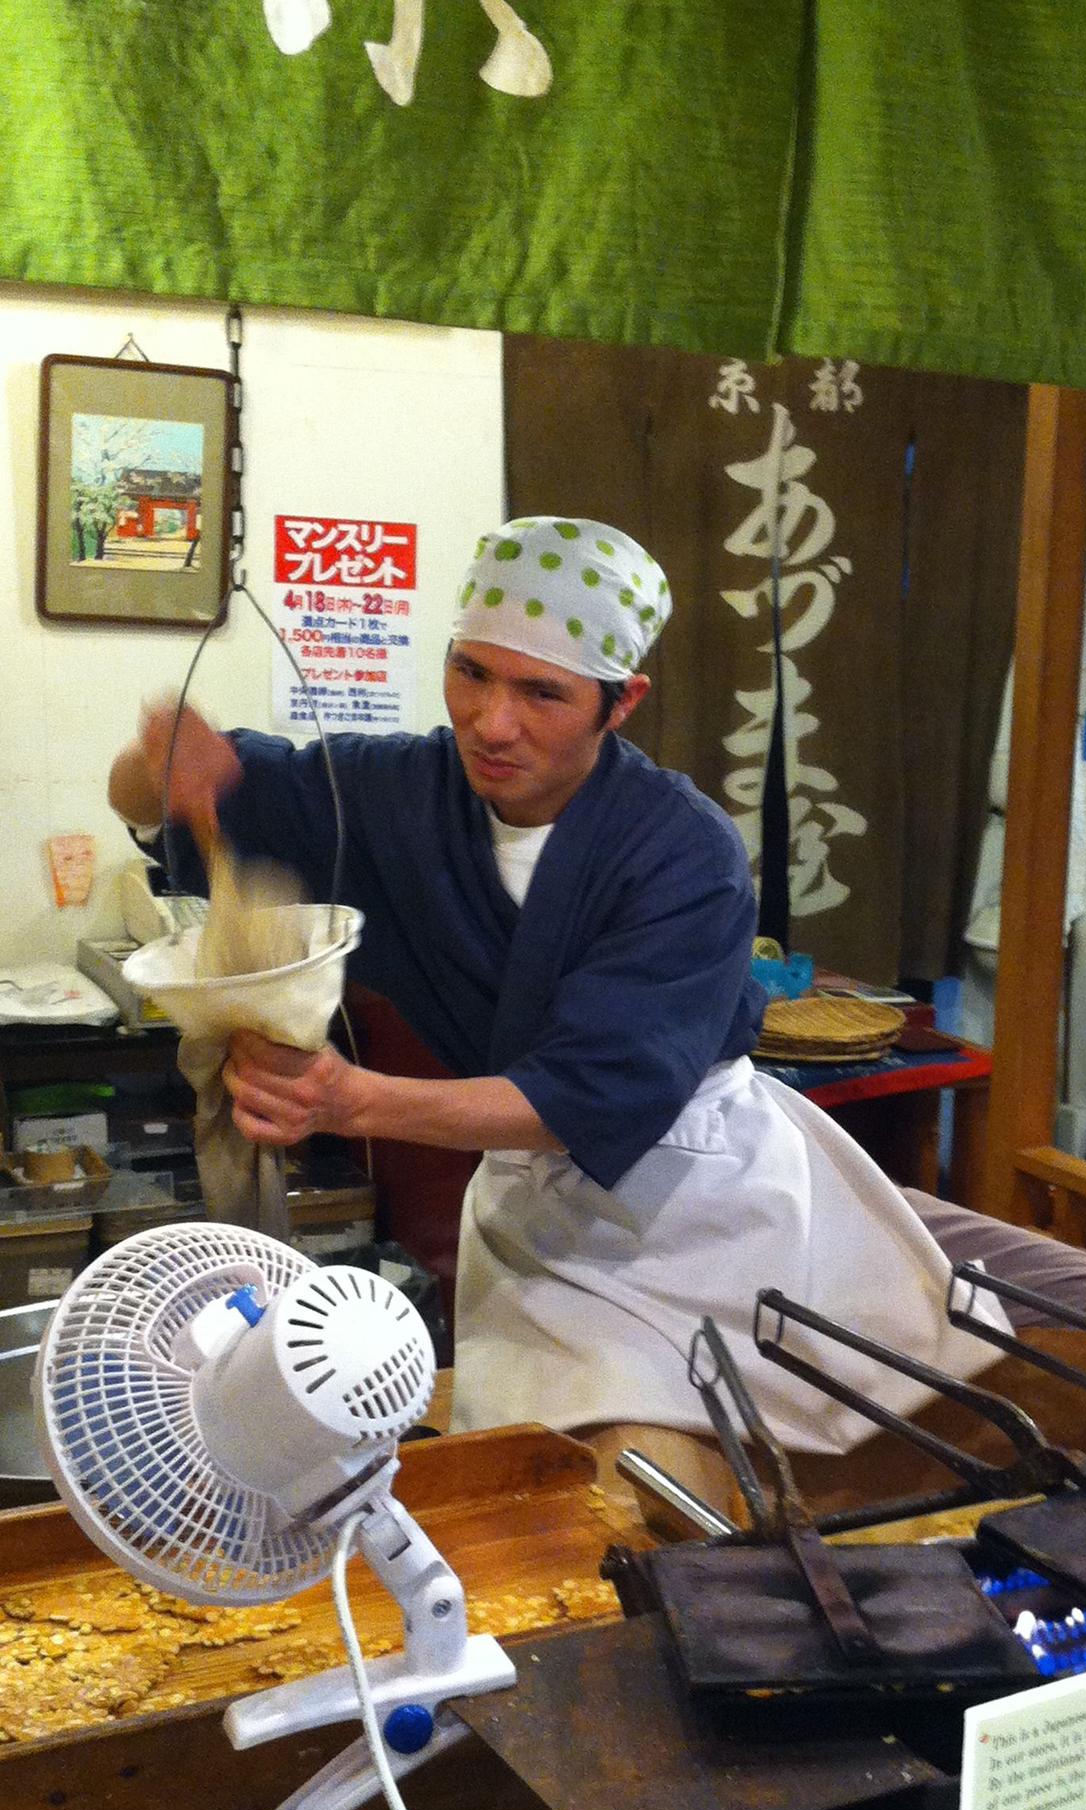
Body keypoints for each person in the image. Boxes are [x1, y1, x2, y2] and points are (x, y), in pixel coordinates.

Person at [109, 515, 1014, 1508]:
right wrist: (159, 769)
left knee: (847, 1454)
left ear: (620, 702)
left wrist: (348, 1100)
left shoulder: (685, 855)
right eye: (472, 673)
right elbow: (206, 801)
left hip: (702, 1191)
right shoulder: (402, 792)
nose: (493, 722)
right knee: (553, 1481)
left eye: (542, 691)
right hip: (539, 1205)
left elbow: (589, 1095)